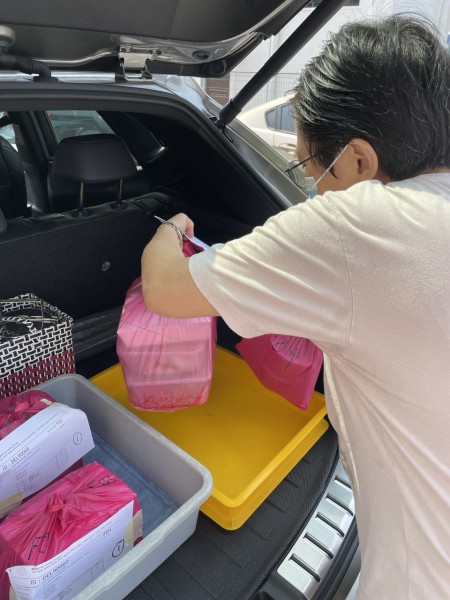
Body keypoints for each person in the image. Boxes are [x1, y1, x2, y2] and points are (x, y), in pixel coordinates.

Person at [141, 14, 450, 600]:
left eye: (311, 167)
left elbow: (163, 289)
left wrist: (168, 228)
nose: (312, 185)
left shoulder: (360, 225)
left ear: (358, 160)